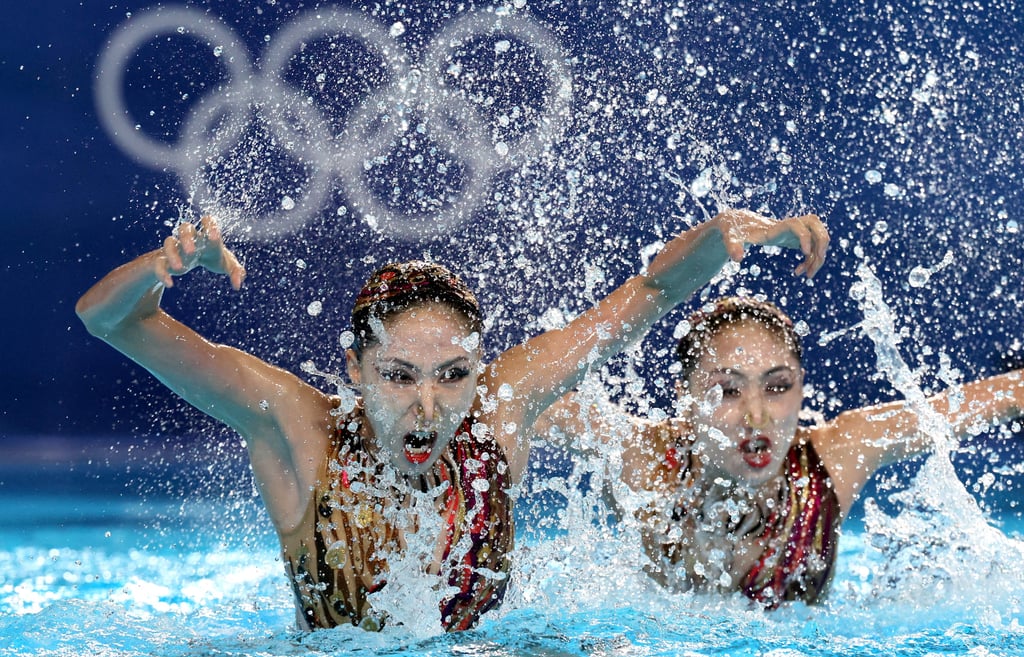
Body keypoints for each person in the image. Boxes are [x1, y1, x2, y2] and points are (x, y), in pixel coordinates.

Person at [75, 211, 827, 631]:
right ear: (355, 371)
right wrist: (162, 266)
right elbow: (107, 319)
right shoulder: (295, 427)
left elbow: (648, 296)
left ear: (478, 371)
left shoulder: (498, 415)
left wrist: (729, 233)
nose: (429, 406)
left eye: (453, 375)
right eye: (399, 377)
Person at [540, 296, 1024, 608]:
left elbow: (1001, 397)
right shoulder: (643, 460)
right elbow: (509, 402)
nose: (757, 416)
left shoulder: (836, 456)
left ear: (801, 387)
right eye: (728, 391)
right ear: (686, 399)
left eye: (777, 387)